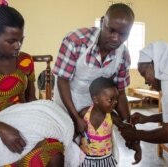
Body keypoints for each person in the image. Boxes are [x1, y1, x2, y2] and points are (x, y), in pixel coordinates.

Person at [0, 1, 64, 166]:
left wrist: (43, 121)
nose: (18, 46)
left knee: (55, 152)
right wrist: (2, 129)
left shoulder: (25, 60)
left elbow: (31, 101)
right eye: (11, 41)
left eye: (21, 40)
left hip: (24, 121)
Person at [53, 3, 135, 136]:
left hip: (97, 108)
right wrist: (76, 117)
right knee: (68, 145)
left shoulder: (123, 56)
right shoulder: (75, 41)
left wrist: (128, 126)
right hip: (68, 101)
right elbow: (62, 81)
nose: (116, 38)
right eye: (111, 30)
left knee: (98, 148)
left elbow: (120, 93)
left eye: (123, 34)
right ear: (103, 22)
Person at [78, 77, 141, 167]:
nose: (115, 103)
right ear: (96, 99)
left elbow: (126, 128)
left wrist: (137, 147)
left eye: (116, 99)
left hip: (106, 161)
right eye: (110, 100)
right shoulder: (84, 114)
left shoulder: (111, 116)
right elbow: (75, 132)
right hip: (85, 160)